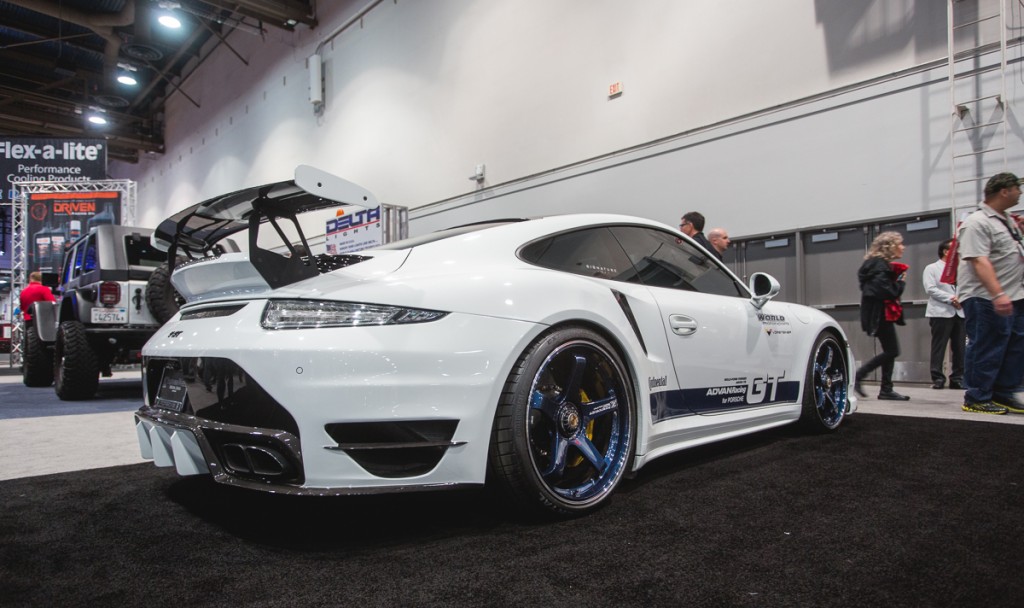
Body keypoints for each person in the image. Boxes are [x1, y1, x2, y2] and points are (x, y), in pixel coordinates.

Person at [956, 172, 1024, 415]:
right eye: (1017, 188)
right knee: (987, 345)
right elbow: (978, 260)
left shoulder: (1006, 221)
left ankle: (1003, 392)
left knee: (1014, 346)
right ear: (1004, 191)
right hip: (985, 296)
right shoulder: (977, 222)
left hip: (1013, 294)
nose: (1020, 192)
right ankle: (977, 396)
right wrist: (997, 294)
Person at [854, 231, 910, 401]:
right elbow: (885, 291)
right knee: (892, 350)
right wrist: (900, 281)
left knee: (890, 350)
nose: (903, 247)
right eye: (899, 244)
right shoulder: (879, 265)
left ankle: (886, 389)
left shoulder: (876, 265)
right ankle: (860, 375)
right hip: (880, 314)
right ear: (889, 246)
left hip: (879, 313)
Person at [922, 238, 965, 390]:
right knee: (939, 346)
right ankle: (938, 378)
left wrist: (962, 299)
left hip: (960, 312)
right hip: (941, 312)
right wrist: (951, 299)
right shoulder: (932, 268)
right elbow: (931, 289)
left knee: (960, 348)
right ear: (946, 252)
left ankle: (957, 378)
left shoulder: (961, 269)